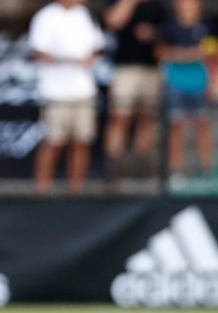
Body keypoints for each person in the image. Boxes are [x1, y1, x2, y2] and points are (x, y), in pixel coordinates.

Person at [28, 0, 105, 196]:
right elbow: (38, 51)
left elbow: (98, 47)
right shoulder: (45, 16)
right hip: (55, 92)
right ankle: (41, 192)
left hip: (84, 91)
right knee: (53, 142)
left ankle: (76, 191)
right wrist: (69, 59)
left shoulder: (86, 14)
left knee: (82, 142)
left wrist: (90, 58)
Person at [103, 0, 167, 178]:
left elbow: (169, 32)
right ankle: (113, 167)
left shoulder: (158, 6)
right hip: (125, 69)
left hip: (151, 69)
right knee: (120, 116)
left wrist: (153, 33)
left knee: (146, 117)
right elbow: (113, 22)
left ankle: (142, 166)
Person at [156, 0, 212, 180]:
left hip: (200, 83)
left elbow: (211, 51)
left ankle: (207, 169)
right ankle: (176, 170)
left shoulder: (207, 26)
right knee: (176, 127)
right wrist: (180, 54)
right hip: (176, 83)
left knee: (202, 125)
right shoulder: (169, 26)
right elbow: (160, 51)